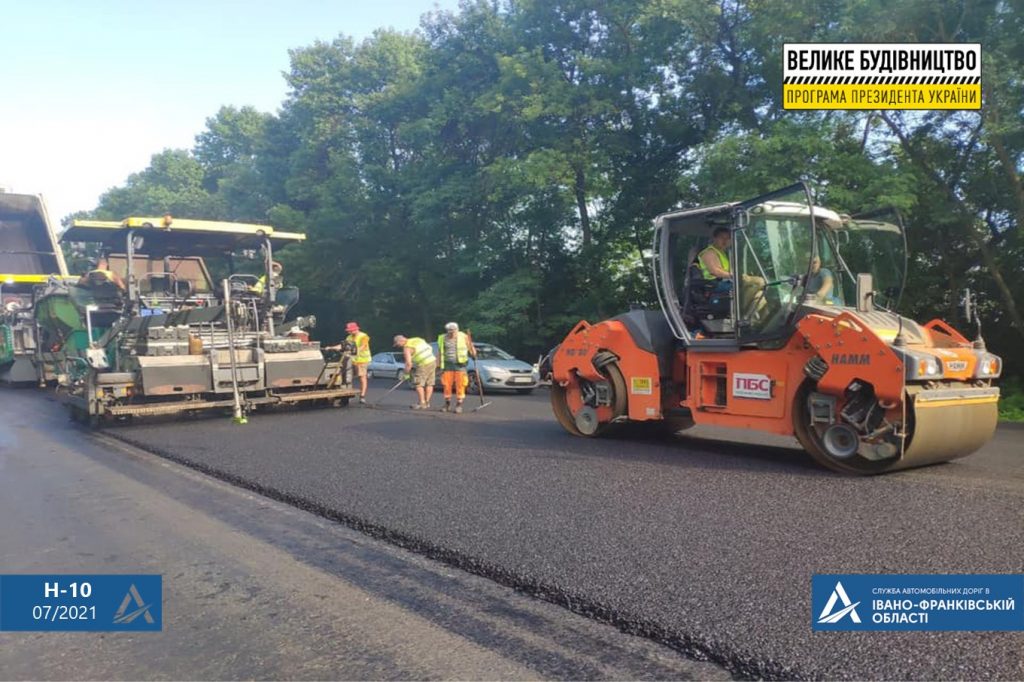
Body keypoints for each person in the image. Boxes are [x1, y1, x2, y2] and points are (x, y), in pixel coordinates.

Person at [697, 227, 765, 317]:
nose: (725, 241)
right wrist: (734, 275)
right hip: (715, 285)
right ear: (714, 238)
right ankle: (740, 312)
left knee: (760, 297)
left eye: (728, 238)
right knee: (758, 282)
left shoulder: (722, 253)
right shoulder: (709, 252)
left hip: (725, 282)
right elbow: (715, 271)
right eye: (722, 237)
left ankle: (752, 320)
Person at [437, 322, 477, 414]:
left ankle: (459, 405)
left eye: (453, 331)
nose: (451, 333)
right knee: (446, 385)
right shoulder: (442, 338)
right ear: (447, 331)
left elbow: (470, 346)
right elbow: (439, 352)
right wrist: (438, 365)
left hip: (460, 365)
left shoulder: (464, 336)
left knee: (461, 385)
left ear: (457, 330)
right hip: (447, 365)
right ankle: (447, 404)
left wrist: (473, 353)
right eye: (449, 332)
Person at [327, 322, 371, 404]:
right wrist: (331, 347)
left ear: (356, 329)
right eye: (348, 331)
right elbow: (342, 346)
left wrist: (354, 351)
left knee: (362, 377)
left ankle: (362, 396)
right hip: (353, 360)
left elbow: (363, 346)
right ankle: (346, 393)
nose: (349, 332)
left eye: (350, 331)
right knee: (346, 375)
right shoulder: (349, 337)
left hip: (362, 360)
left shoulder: (363, 336)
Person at [393, 334, 437, 409]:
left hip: (423, 364)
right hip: (432, 361)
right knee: (430, 383)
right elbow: (429, 347)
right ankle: (427, 402)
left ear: (401, 341)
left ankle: (422, 403)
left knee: (418, 383)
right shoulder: (417, 339)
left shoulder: (407, 348)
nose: (398, 346)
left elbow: (408, 363)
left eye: (398, 344)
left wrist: (406, 374)